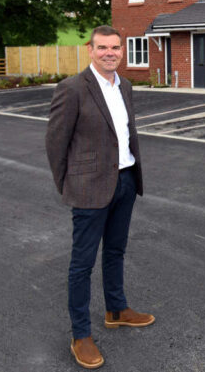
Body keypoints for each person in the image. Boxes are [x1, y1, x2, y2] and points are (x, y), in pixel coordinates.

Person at [46, 26, 154, 369]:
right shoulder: (73, 88)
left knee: (116, 251)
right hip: (89, 188)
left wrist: (131, 172)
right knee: (81, 265)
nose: (110, 53)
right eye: (103, 47)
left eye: (116, 47)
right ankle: (81, 334)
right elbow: (55, 143)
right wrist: (68, 184)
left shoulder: (124, 85)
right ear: (90, 50)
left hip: (125, 181)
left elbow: (125, 131)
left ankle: (116, 309)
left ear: (122, 51)